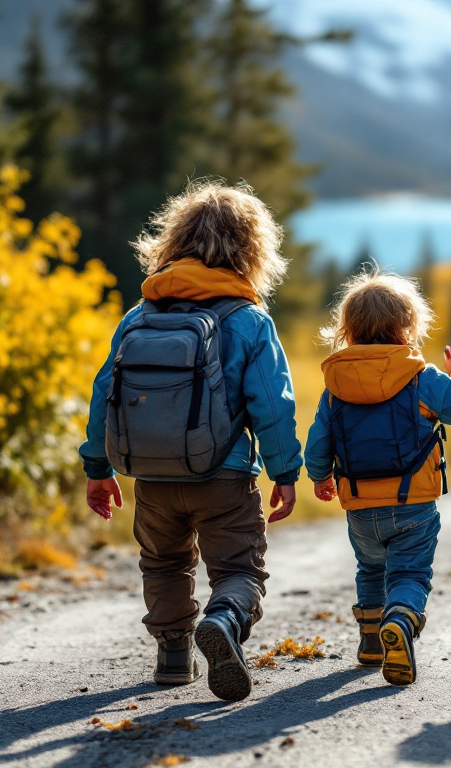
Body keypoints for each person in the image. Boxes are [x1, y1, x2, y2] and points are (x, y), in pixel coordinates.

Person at [80, 180, 302, 703]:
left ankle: (173, 657)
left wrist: (97, 467)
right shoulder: (249, 320)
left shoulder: (139, 316)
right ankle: (223, 621)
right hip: (223, 475)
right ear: (251, 250)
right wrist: (285, 473)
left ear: (173, 241)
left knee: (162, 563)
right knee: (239, 569)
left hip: (151, 477)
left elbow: (104, 394)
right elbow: (273, 404)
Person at [304, 270, 451, 686]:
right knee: (410, 575)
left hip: (360, 505)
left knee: (370, 569)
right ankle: (399, 620)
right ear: (407, 326)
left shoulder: (336, 383)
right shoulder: (424, 376)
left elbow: (317, 443)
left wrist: (319, 476)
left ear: (348, 329)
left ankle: (370, 641)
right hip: (414, 502)